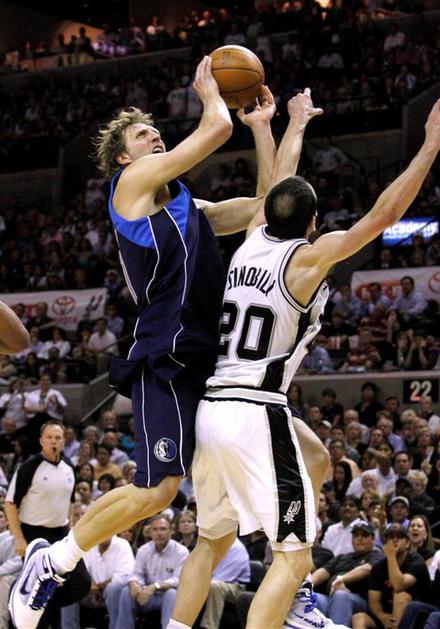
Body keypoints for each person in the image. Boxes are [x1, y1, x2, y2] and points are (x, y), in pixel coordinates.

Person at [9, 55, 277, 628]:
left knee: (195, 501)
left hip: (207, 357)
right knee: (159, 491)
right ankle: (52, 561)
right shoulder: (129, 187)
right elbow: (215, 129)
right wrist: (210, 92)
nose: (155, 134)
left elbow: (265, 209)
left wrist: (263, 129)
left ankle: (60, 561)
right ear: (124, 158)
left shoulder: (188, 206)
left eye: (156, 129)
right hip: (165, 352)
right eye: (142, 134)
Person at [168, 97, 440, 629]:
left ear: (269, 213)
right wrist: (430, 145)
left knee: (233, 522)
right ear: (314, 223)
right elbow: (384, 216)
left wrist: (283, 125)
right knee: (295, 558)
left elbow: (277, 184)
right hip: (255, 412)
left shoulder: (249, 242)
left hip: (213, 409)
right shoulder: (308, 259)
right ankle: (293, 601)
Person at [5, 421, 91, 629]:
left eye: (58, 437)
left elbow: (70, 503)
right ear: (41, 441)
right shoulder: (29, 467)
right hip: (34, 534)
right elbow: (9, 504)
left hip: (61, 532)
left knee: (81, 583)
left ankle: (23, 599)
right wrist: (19, 538)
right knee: (39, 585)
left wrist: (71, 531)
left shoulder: (69, 466)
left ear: (63, 441)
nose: (54, 441)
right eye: (50, 437)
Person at [313, 522, 383, 627]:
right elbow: (324, 571)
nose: (359, 539)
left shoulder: (377, 556)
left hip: (358, 601)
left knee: (341, 596)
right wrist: (308, 584)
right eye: (356, 535)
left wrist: (342, 579)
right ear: (352, 540)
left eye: (364, 535)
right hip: (331, 597)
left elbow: (368, 568)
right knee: (312, 597)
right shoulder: (342, 557)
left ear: (373, 539)